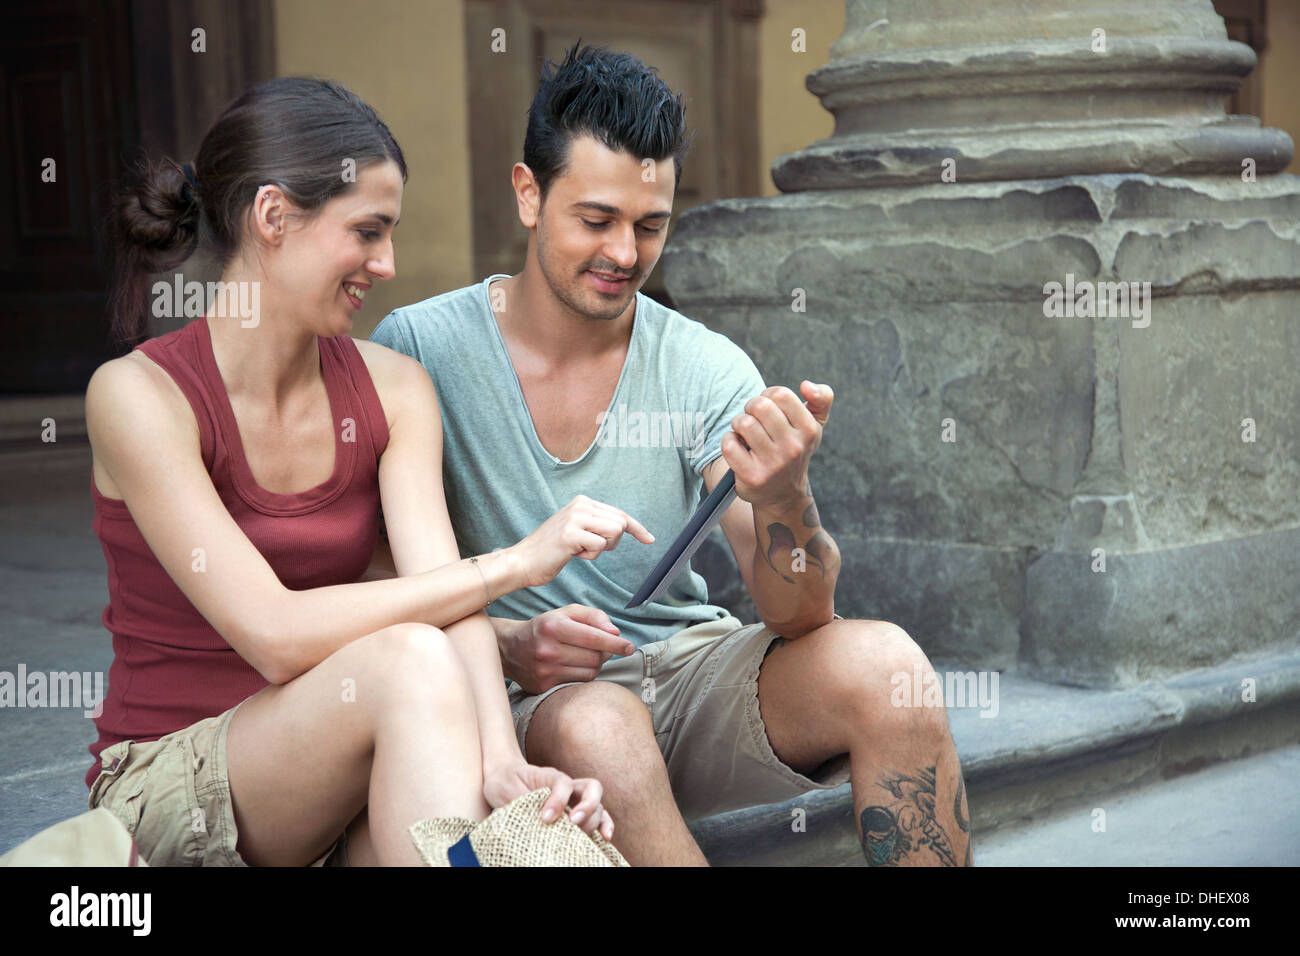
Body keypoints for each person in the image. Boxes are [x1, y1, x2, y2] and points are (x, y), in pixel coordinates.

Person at [370, 44, 973, 866]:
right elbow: (372, 584)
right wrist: (511, 643)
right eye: (596, 220)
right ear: (527, 194)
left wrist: (784, 497)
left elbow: (800, 619)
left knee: (886, 664)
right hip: (515, 701)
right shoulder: (420, 348)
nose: (625, 253)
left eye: (650, 225)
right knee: (596, 720)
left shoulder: (703, 363)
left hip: (687, 673)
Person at [85, 76, 642, 867]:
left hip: (340, 777)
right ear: (273, 216)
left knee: (507, 828)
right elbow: (276, 638)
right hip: (171, 782)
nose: (386, 264)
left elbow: (449, 602)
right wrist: (514, 564)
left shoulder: (393, 387)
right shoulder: (140, 396)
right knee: (409, 657)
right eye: (368, 231)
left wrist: (499, 762)